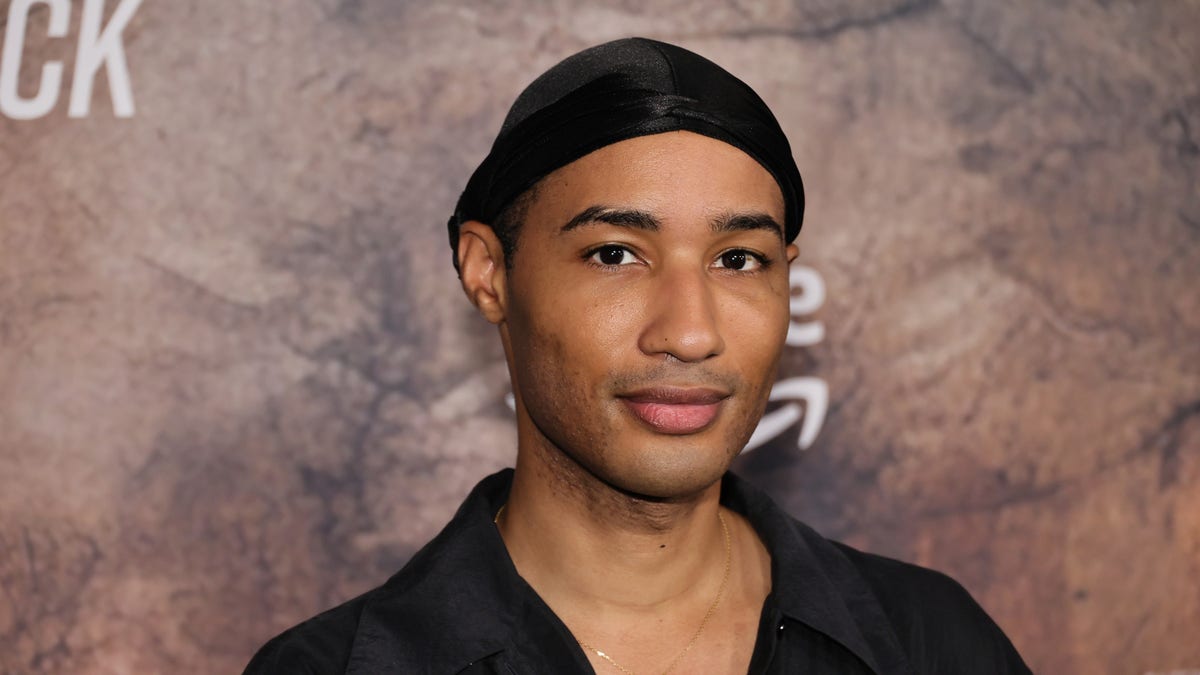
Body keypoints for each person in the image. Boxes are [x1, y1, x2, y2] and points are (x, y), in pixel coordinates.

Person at [243, 37, 1031, 674]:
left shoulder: (932, 643)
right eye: (615, 254)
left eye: (738, 260)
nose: (689, 333)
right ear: (489, 273)